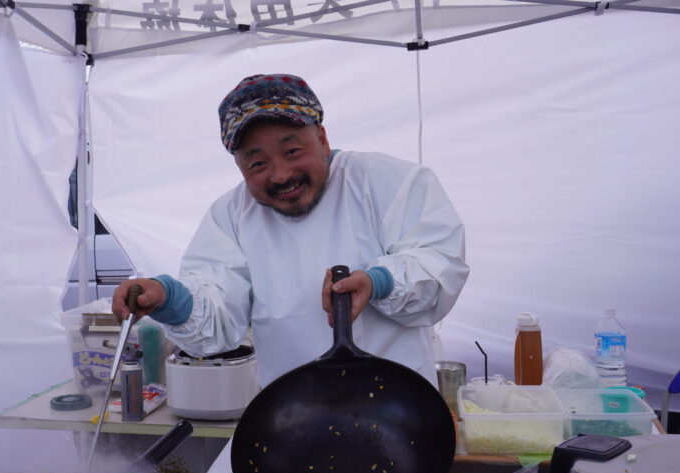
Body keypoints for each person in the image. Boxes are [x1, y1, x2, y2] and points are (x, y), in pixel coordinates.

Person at [112, 73, 469, 386]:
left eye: (293, 151)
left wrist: (379, 282)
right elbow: (217, 318)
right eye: (258, 163)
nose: (281, 175)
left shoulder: (389, 182)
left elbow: (439, 268)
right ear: (239, 167)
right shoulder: (231, 216)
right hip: (294, 415)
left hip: (401, 408)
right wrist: (167, 297)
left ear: (322, 139)